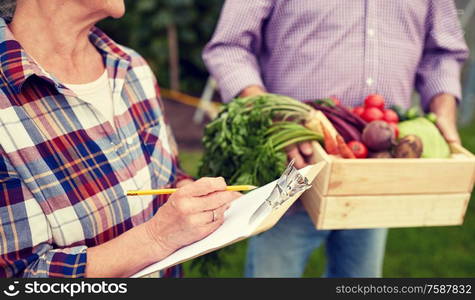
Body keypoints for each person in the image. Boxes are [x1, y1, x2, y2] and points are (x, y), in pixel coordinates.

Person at [203, 0, 469, 277]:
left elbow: (442, 54)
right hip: (293, 166)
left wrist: (444, 113)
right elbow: (229, 47)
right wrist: (273, 113)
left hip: (378, 171)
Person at [0, 0, 240, 278]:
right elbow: (21, 277)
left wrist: (199, 200)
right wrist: (156, 238)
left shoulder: (132, 67)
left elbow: (168, 177)